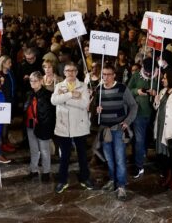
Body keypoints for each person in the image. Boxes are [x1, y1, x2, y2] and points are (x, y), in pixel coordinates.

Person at [96, 64, 138, 201]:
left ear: (114, 75)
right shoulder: (99, 89)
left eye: (108, 74)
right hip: (104, 129)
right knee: (109, 158)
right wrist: (96, 110)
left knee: (120, 159)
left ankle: (121, 185)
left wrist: (128, 121)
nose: (106, 77)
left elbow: (133, 106)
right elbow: (94, 110)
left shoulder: (122, 88)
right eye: (104, 74)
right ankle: (113, 180)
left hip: (118, 129)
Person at [51, 63, 95, 193]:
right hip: (64, 126)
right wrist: (71, 95)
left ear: (76, 72)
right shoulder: (58, 85)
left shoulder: (83, 86)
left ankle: (85, 178)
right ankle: (62, 180)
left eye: (73, 70)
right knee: (64, 155)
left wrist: (64, 98)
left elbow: (84, 104)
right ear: (64, 72)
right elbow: (53, 101)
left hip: (79, 125)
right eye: (67, 70)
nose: (70, 73)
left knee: (82, 154)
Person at [126, 57, 156, 179]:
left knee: (147, 139)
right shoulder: (137, 76)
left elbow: (164, 89)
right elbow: (127, 90)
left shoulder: (158, 76)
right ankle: (139, 165)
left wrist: (156, 92)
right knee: (139, 140)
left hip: (154, 114)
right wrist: (137, 91)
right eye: (147, 71)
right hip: (139, 114)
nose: (149, 74)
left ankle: (141, 155)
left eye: (151, 71)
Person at [24, 71, 55, 182]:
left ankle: (46, 172)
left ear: (41, 81)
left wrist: (48, 127)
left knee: (44, 150)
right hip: (30, 125)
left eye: (35, 81)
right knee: (33, 150)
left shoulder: (48, 94)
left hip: (43, 126)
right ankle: (33, 170)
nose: (32, 83)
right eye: (31, 80)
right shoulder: (29, 94)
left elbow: (51, 113)